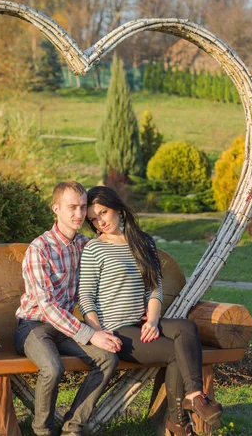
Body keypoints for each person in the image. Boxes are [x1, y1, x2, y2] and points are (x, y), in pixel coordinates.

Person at [78, 186, 223, 436]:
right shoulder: (94, 249)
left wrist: (153, 320)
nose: (99, 221)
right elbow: (86, 298)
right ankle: (181, 422)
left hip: (142, 322)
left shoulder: (143, 242)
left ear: (118, 209)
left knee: (186, 328)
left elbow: (155, 288)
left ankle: (193, 397)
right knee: (177, 354)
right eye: (93, 218)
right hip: (117, 330)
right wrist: (98, 333)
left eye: (103, 212)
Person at [14, 181, 122, 436]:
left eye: (83, 207)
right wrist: (90, 333)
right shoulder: (39, 249)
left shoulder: (86, 245)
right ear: (56, 208)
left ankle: (73, 428)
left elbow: (111, 276)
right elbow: (48, 307)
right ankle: (43, 431)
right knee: (52, 368)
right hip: (33, 327)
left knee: (107, 358)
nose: (79, 214)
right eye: (72, 207)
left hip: (65, 329)